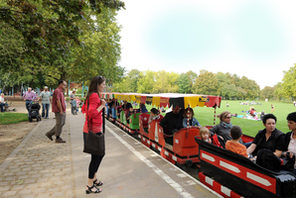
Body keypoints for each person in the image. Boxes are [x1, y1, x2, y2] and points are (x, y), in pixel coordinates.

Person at [82, 76, 106, 194]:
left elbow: (83, 110)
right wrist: (102, 105)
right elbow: (90, 113)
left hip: (91, 129)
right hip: (93, 131)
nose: (104, 86)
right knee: (98, 155)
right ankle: (89, 185)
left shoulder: (91, 95)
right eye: (103, 84)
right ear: (98, 84)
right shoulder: (94, 96)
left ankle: (94, 179)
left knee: (96, 156)